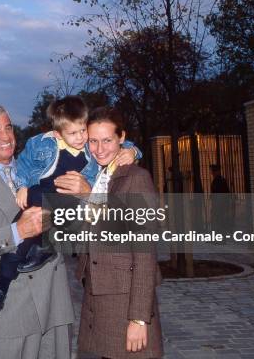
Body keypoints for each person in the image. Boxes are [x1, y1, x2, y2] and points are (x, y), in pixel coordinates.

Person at [0, 96, 140, 316]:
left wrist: (132, 152)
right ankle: (0, 290)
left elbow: (116, 140)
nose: (81, 137)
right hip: (41, 200)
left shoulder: (91, 149)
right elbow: (24, 164)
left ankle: (47, 245)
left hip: (71, 204)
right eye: (73, 133)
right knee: (22, 238)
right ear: (58, 134)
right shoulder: (41, 143)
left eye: (83, 131)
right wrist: (23, 186)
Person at [0, 105, 82, 358]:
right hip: (12, 308)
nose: (5, 136)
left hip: (55, 303)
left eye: (8, 127)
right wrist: (17, 231)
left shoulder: (41, 164)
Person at [76, 107, 163, 359]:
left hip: (125, 299)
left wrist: (138, 318)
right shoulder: (99, 175)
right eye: (93, 141)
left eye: (107, 140)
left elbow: (145, 252)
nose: (99, 149)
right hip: (96, 295)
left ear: (122, 138)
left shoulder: (136, 178)